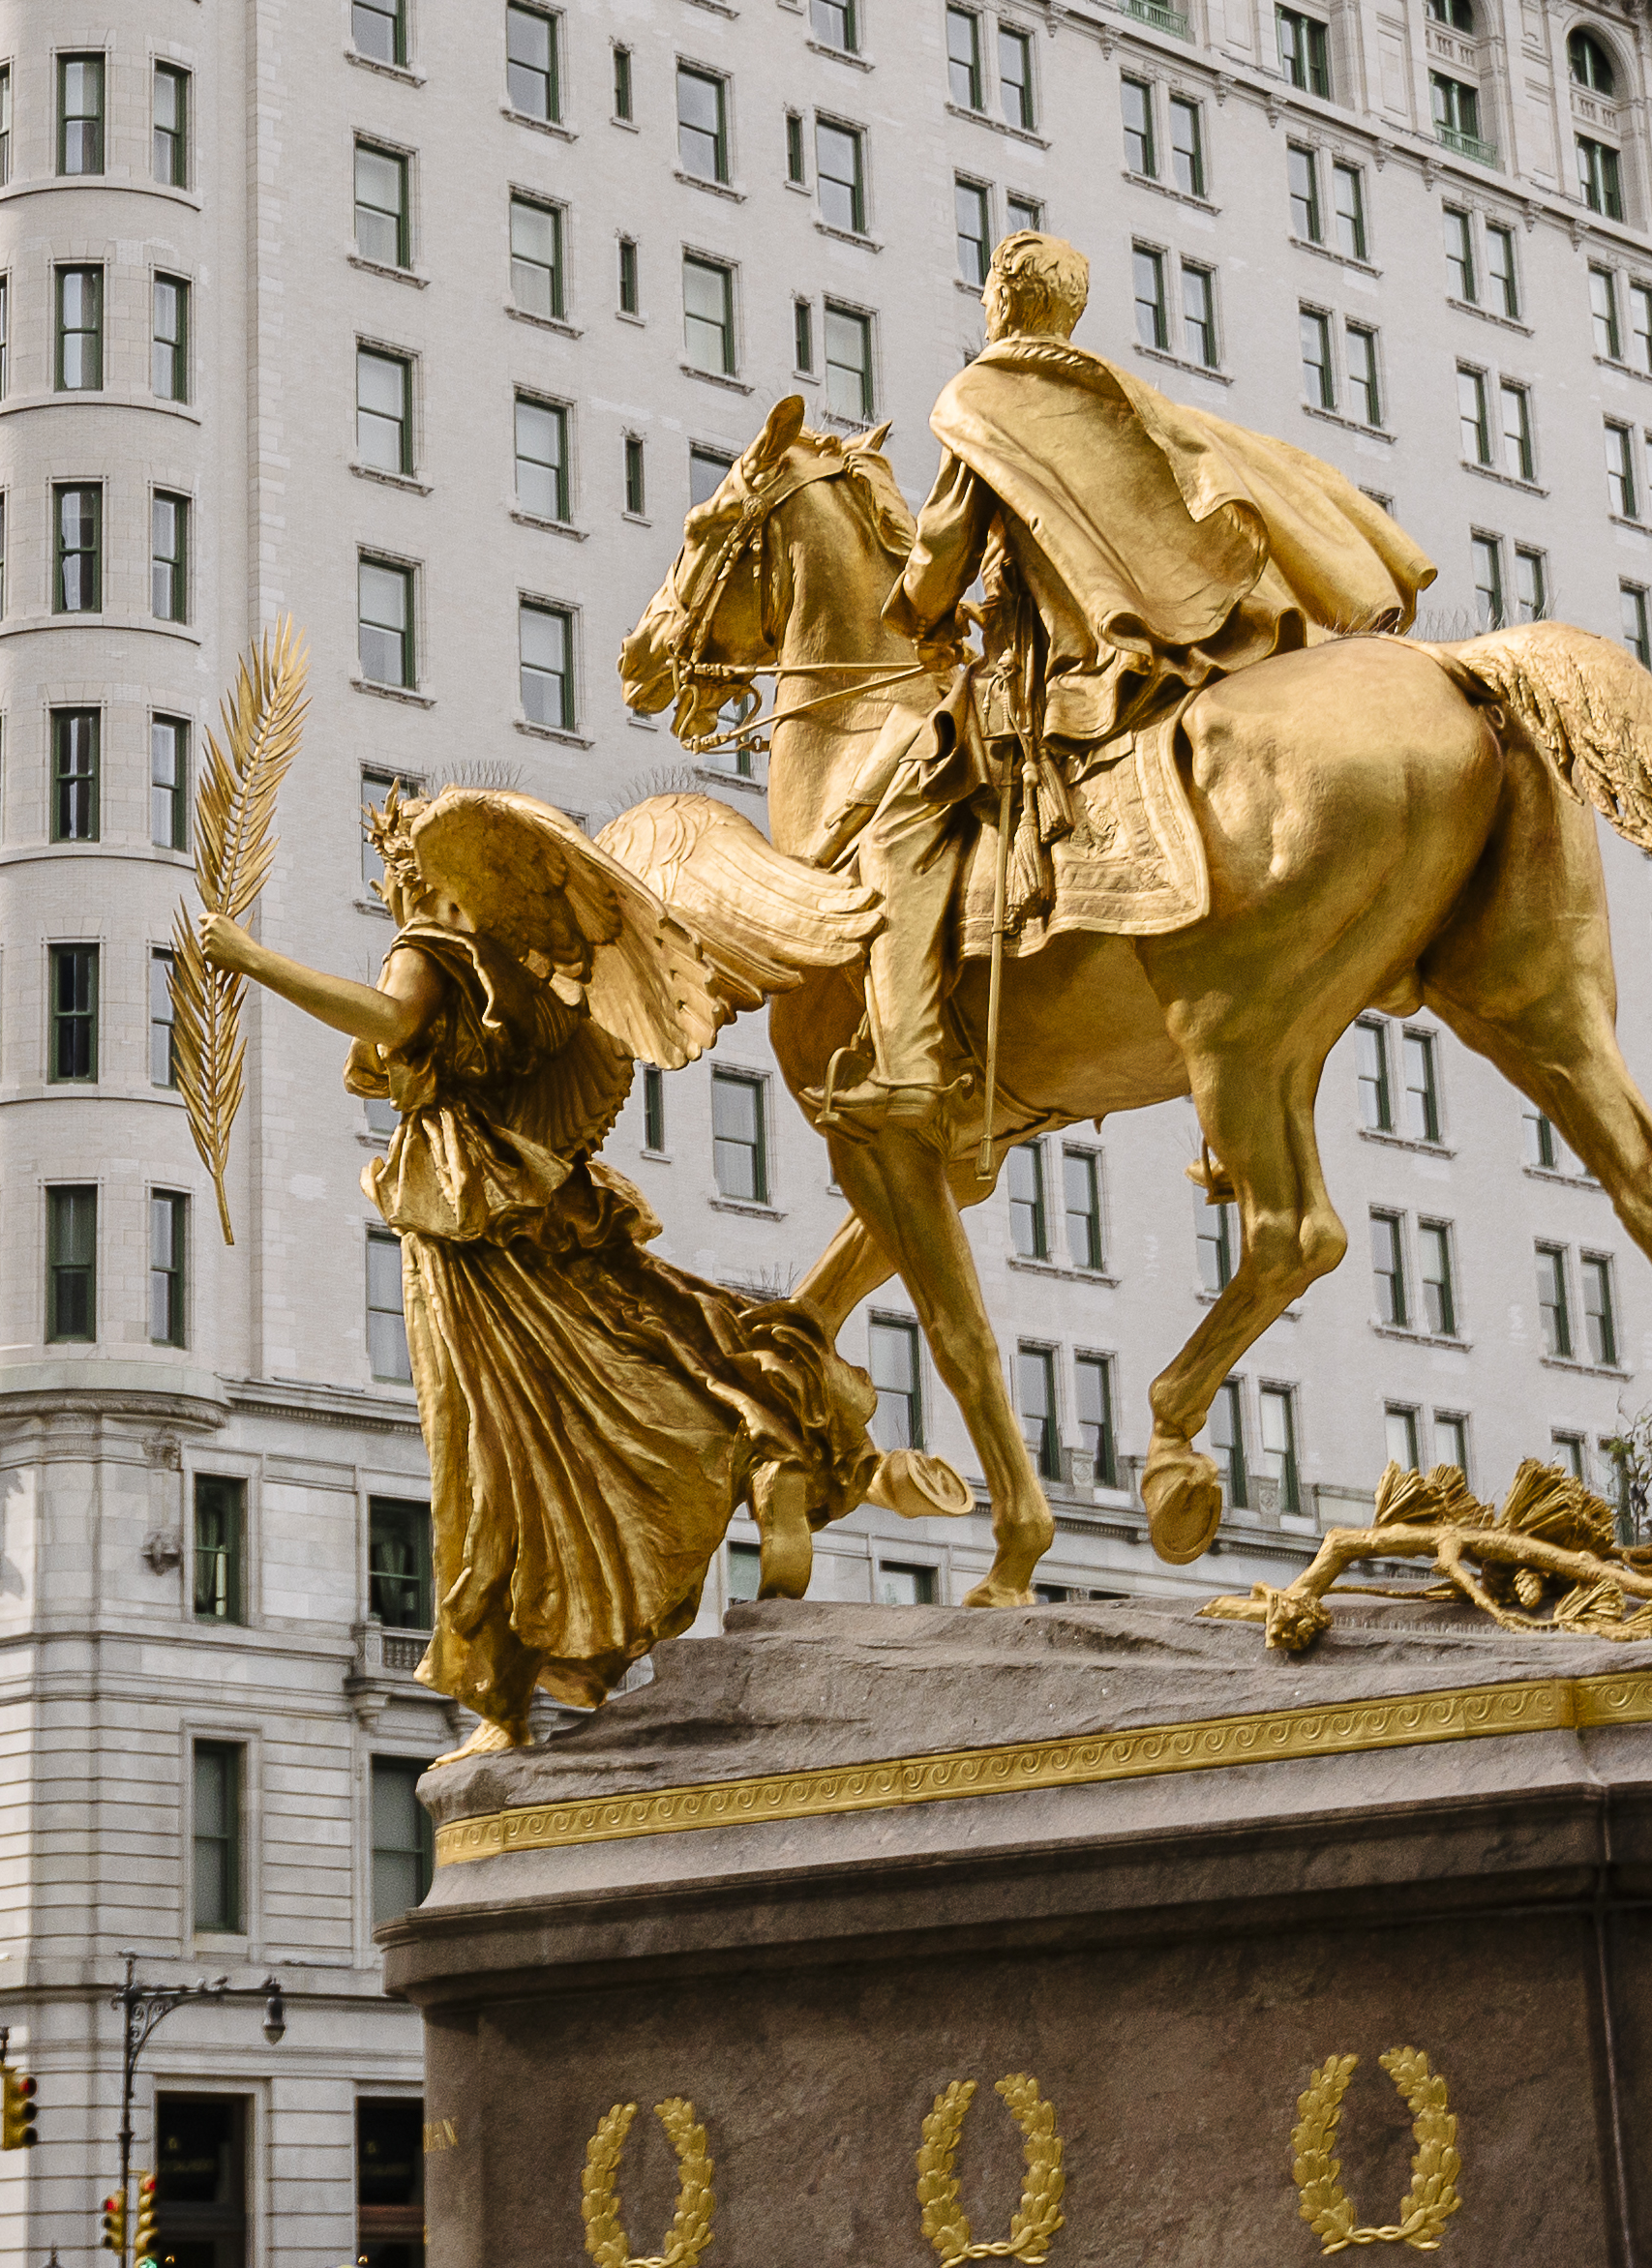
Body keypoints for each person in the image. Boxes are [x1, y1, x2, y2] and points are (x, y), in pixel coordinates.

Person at [190, 790, 962, 1745]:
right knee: (624, 1376)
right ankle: (776, 1439)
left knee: (502, 1461)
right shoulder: (523, 980)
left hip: (473, 1241)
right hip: (506, 1225)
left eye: (396, 874)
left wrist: (252, 957)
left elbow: (390, 1017)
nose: (391, 890)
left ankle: (509, 1695)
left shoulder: (433, 949)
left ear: (423, 878)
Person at [823, 232, 1430, 1132]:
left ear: (1002, 300)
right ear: (1069, 310)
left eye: (989, 293)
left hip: (1069, 667)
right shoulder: (1111, 394)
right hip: (1178, 647)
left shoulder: (984, 395)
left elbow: (946, 539)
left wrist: (920, 614)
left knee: (903, 814)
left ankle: (907, 1058)